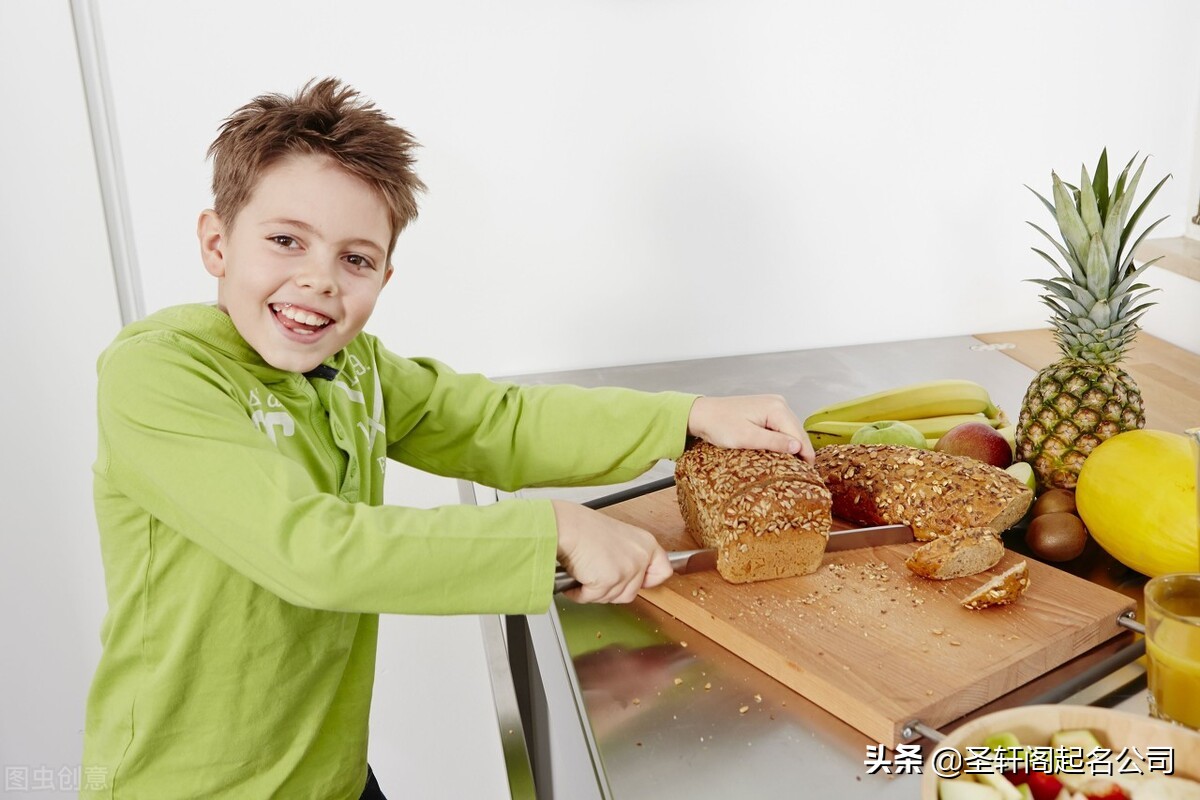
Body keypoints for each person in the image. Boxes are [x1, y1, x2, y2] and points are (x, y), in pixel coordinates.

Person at [81, 77, 814, 799]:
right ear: (217, 241)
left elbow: (490, 421)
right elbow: (309, 549)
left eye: (355, 259)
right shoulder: (157, 376)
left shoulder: (353, 366)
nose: (319, 281)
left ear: (385, 276)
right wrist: (547, 527)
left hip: (327, 775)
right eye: (285, 241)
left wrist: (683, 417)